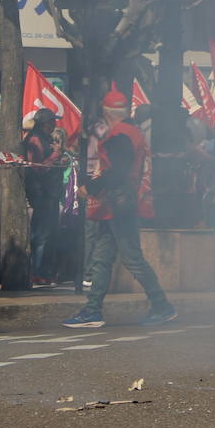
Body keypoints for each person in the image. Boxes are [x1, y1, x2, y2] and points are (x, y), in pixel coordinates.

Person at [63, 90, 174, 328]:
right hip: (116, 204)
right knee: (102, 258)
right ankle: (93, 310)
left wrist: (89, 187)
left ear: (105, 112)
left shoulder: (120, 135)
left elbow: (118, 172)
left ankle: (162, 305)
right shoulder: (132, 132)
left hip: (119, 203)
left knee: (132, 258)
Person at [22, 108, 64, 284]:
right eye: (52, 121)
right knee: (40, 235)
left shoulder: (45, 139)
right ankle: (36, 272)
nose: (55, 124)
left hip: (50, 193)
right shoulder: (34, 139)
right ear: (46, 123)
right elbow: (37, 167)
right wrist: (56, 155)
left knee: (50, 234)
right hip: (42, 193)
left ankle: (45, 272)